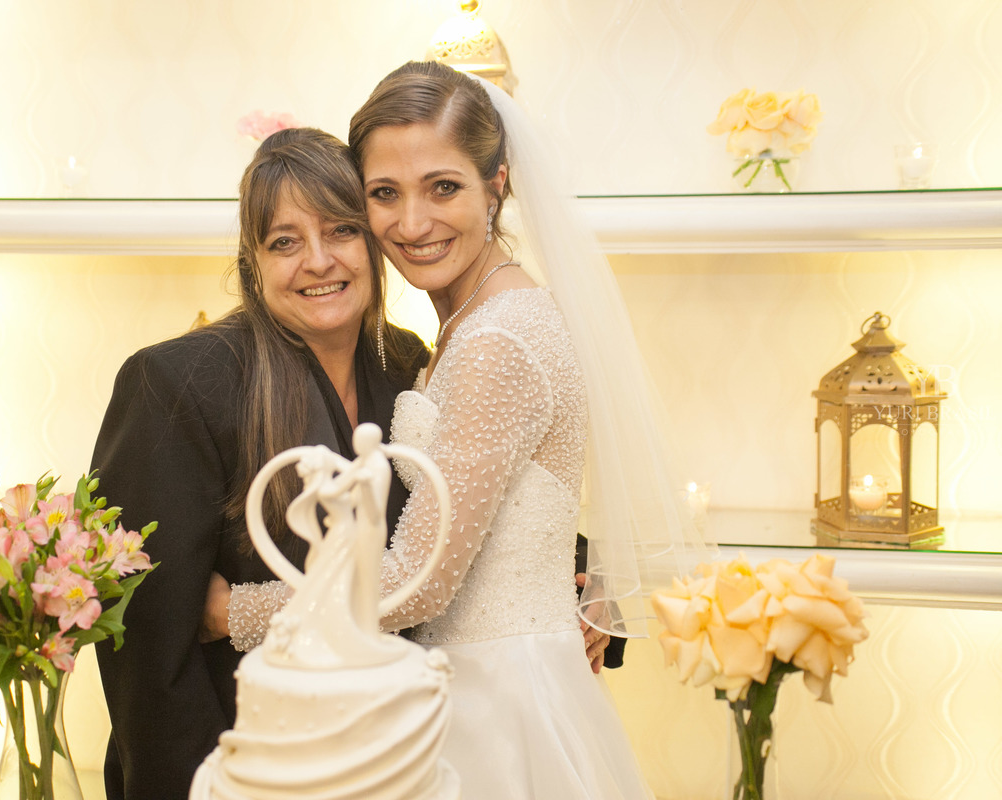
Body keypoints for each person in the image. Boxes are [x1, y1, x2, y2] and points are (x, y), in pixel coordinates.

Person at [212, 61, 713, 799]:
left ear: (496, 184)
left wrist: (230, 611)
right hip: (470, 685)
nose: (412, 224)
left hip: (495, 706)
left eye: (443, 187)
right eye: (385, 193)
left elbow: (416, 586)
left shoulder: (495, 342)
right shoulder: (463, 326)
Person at [90, 127, 427, 800]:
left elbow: (449, 514)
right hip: (243, 768)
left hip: (387, 756)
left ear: (373, 241)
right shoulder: (177, 381)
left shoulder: (405, 362)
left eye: (341, 230)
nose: (319, 261)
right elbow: (149, 655)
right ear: (253, 260)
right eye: (284, 242)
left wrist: (569, 569)